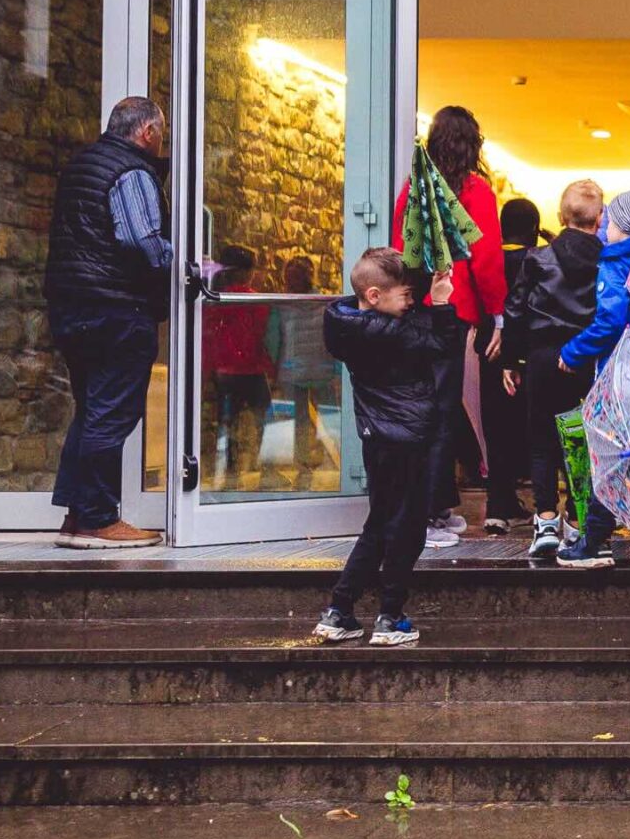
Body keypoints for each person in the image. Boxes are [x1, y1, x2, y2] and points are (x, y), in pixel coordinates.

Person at [311, 248, 469, 649]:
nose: (411, 302)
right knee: (407, 529)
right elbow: (444, 345)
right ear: (375, 295)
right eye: (406, 295)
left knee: (380, 523)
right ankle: (390, 616)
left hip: (377, 437)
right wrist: (442, 302)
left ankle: (339, 610)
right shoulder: (394, 333)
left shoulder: (347, 322)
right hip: (409, 437)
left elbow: (414, 327)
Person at [43, 96, 172, 549]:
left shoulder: (82, 165)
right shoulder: (131, 171)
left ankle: (77, 516)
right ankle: (99, 519)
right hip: (116, 310)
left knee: (91, 411)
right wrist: (186, 266)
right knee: (111, 415)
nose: (162, 142)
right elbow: (141, 241)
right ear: (147, 132)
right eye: (162, 133)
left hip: (72, 308)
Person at [393, 107, 510, 549]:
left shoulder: (414, 187)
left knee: (420, 406)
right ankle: (427, 513)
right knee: (442, 411)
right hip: (453, 310)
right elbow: (486, 258)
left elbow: (401, 247)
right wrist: (497, 312)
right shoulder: (475, 191)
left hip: (414, 307)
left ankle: (436, 505)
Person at [557, 182, 630, 568]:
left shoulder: (615, 262)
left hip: (621, 376)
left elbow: (609, 321)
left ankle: (594, 541)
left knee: (608, 458)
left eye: (613, 219)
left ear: (629, 227)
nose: (605, 224)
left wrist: (572, 352)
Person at [499, 181, 604, 560]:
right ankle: (577, 520)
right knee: (583, 441)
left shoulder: (538, 258)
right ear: (600, 218)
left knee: (541, 437)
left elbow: (515, 309)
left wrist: (511, 360)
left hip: (542, 357)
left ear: (560, 217)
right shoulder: (607, 260)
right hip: (587, 357)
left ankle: (545, 520)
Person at [479, 196, 546, 531]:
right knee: (533, 431)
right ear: (534, 227)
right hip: (527, 356)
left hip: (490, 352)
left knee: (496, 432)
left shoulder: (490, 260)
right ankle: (545, 509)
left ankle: (498, 506)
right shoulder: (538, 260)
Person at [200, 244, 274, 490]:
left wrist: (207, 370)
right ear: (246, 272)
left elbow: (209, 337)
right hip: (252, 370)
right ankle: (264, 469)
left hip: (225, 372)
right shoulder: (257, 301)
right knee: (266, 419)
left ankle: (229, 472)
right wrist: (272, 368)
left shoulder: (215, 301)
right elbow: (264, 337)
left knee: (227, 422)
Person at [265, 253, 340, 489]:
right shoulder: (326, 303)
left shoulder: (281, 305)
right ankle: (340, 462)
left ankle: (304, 470)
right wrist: (337, 369)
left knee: (298, 422)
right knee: (332, 418)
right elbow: (334, 339)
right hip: (322, 370)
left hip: (291, 371)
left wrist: (274, 368)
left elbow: (272, 340)